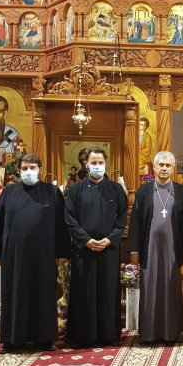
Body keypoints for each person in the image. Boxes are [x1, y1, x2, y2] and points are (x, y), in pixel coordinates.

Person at [0, 153, 70, 353]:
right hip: (14, 254)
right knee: (14, 294)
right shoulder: (8, 192)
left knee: (43, 294)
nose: (28, 172)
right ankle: (12, 340)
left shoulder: (52, 192)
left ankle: (45, 339)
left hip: (44, 254)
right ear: (19, 170)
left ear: (40, 170)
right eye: (24, 168)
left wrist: (62, 252)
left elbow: (61, 225)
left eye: (32, 168)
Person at [128, 151, 183, 343]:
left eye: (168, 165)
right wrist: (134, 250)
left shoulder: (182, 192)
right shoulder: (143, 192)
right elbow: (135, 223)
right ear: (155, 167)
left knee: (171, 287)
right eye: (161, 165)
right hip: (149, 248)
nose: (164, 168)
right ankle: (149, 333)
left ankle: (171, 332)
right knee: (149, 287)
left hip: (172, 248)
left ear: (173, 168)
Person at [65, 147, 128, 347]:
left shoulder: (116, 190)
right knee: (83, 292)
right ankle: (83, 336)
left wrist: (110, 239)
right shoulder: (75, 190)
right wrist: (85, 240)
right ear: (86, 164)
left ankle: (109, 335)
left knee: (108, 291)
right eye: (94, 163)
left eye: (101, 163)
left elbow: (122, 219)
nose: (97, 166)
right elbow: (70, 219)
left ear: (105, 164)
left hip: (108, 250)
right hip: (83, 250)